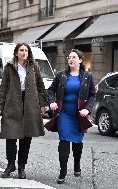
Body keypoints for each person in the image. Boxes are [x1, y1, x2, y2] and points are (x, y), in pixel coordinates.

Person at [0, 42, 47, 179]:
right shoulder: (9, 67)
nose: (24, 53)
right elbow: (3, 88)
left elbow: (41, 86)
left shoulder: (34, 67)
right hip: (12, 105)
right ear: (16, 52)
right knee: (10, 136)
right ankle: (10, 164)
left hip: (30, 105)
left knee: (26, 138)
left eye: (26, 50)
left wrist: (42, 105)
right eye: (21, 50)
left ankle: (21, 167)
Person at [47, 49, 95, 184]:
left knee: (77, 142)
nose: (71, 59)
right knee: (64, 140)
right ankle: (62, 171)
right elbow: (50, 90)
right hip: (64, 114)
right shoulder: (61, 75)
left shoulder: (87, 76)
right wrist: (52, 102)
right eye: (69, 57)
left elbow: (92, 95)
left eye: (74, 57)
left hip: (79, 115)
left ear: (80, 60)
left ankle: (77, 164)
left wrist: (87, 109)